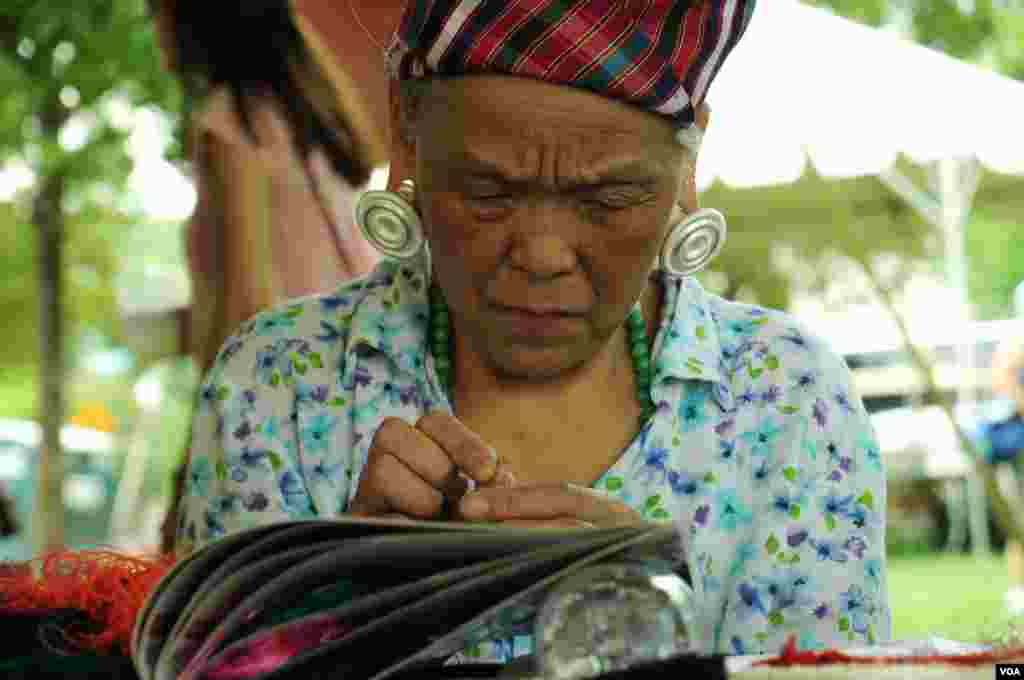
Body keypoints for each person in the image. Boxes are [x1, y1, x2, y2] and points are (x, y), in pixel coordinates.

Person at [176, 0, 891, 658]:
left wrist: (651, 623)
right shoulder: (276, 393)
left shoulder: (790, 400)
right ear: (405, 129)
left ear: (688, 160)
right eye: (486, 192)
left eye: (611, 197)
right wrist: (352, 600)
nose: (543, 256)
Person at [148, 0, 385, 551]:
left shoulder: (230, 126)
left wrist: (192, 460)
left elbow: (244, 312)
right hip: (356, 405)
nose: (156, 28)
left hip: (281, 418)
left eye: (156, 12)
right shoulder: (319, 127)